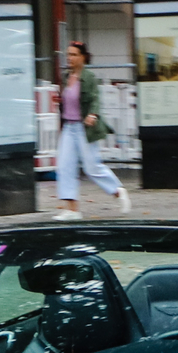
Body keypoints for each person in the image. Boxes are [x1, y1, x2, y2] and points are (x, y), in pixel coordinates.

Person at [53, 40, 132, 219]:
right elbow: (69, 100)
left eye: (74, 55)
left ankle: (118, 191)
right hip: (69, 127)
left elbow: (95, 98)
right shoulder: (66, 77)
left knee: (92, 167)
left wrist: (93, 114)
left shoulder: (88, 78)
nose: (70, 58)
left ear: (83, 57)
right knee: (65, 166)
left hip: (84, 128)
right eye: (68, 54)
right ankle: (72, 210)